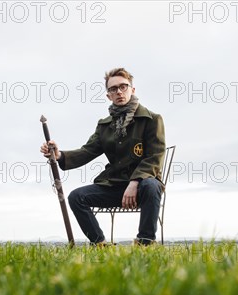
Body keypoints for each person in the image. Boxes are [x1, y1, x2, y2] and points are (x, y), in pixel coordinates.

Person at [40, 67, 165, 246]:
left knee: (152, 185)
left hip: (143, 188)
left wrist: (135, 181)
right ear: (108, 95)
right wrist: (59, 155)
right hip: (115, 186)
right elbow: (87, 151)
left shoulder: (152, 119)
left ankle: (145, 243)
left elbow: (155, 157)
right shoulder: (104, 126)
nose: (119, 92)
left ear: (132, 89)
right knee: (76, 197)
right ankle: (100, 244)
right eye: (113, 89)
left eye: (123, 86)